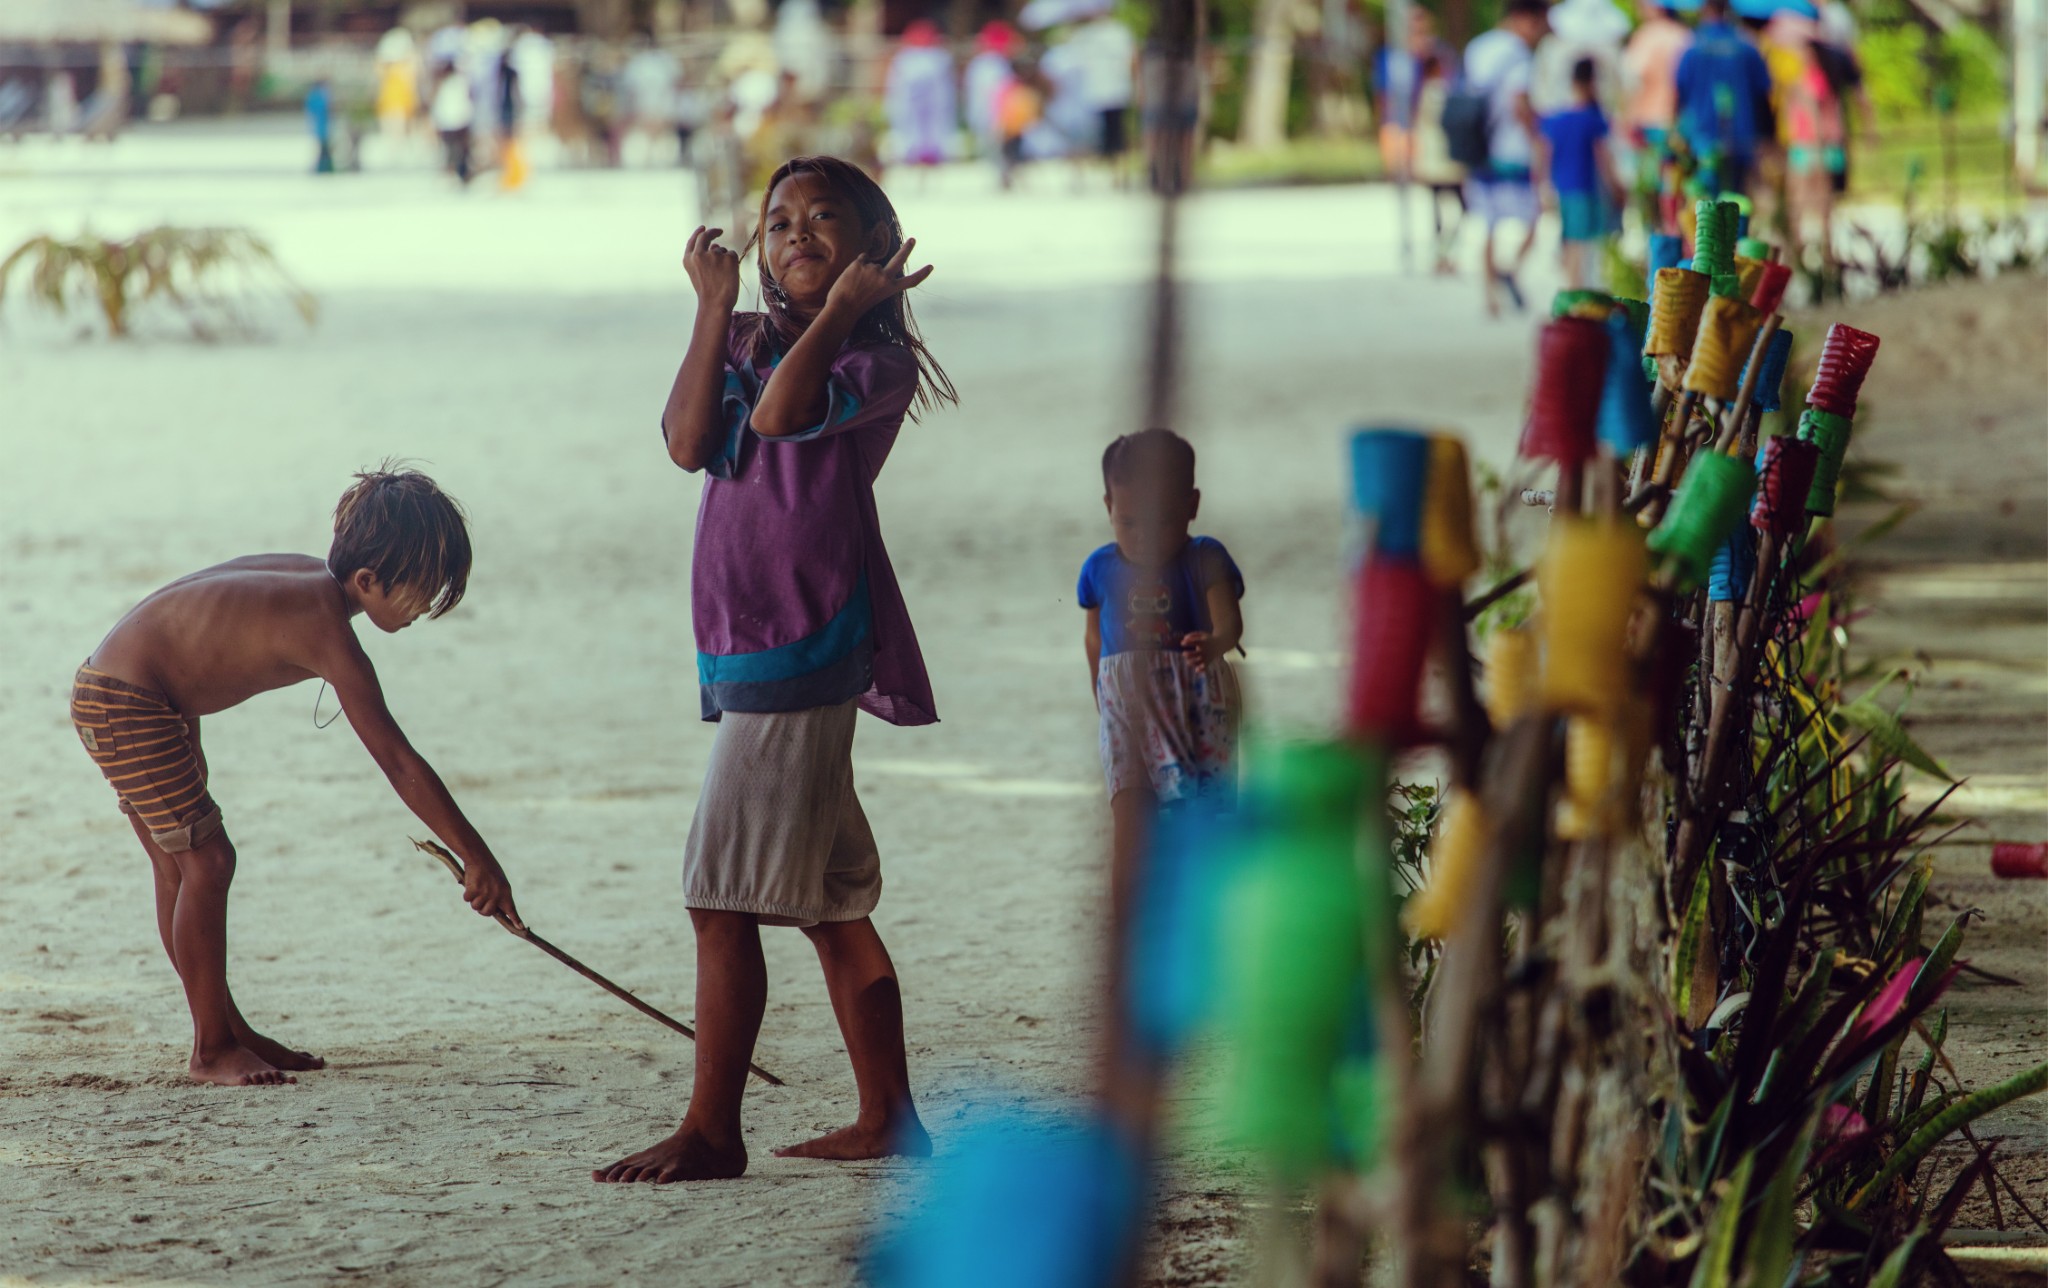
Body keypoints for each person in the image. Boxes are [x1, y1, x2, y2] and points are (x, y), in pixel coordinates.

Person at [596, 155, 957, 1184]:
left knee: (719, 898)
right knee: (829, 901)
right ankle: (890, 1115)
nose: (795, 232)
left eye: (823, 219)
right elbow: (685, 441)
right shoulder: (750, 336)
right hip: (744, 638)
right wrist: (711, 309)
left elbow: (778, 418)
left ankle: (713, 1129)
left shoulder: (870, 362)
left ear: (873, 247)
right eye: (778, 220)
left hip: (806, 639)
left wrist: (843, 313)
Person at [68, 468, 523, 1088]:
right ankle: (210, 1049)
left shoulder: (312, 582)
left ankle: (227, 1030)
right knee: (209, 862)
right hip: (130, 700)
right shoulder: (323, 624)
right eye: (421, 592)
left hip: (137, 694)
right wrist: (477, 855)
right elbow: (397, 759)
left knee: (181, 865)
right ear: (367, 581)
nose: (427, 608)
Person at [1076, 429, 1244, 933]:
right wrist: (1100, 697)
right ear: (1108, 505)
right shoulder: (1099, 568)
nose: (1145, 536)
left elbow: (1231, 625)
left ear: (1192, 505)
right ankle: (1129, 932)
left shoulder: (1205, 557)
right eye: (1128, 521)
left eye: (1161, 520)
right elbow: (1092, 638)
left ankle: (1207, 920)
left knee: (1202, 818)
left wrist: (1212, 644)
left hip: (1195, 705)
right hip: (1126, 711)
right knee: (1129, 816)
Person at [1462, 0, 1551, 316]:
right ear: (1525, 19)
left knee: (1486, 225)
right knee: (1536, 214)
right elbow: (1520, 103)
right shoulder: (1519, 55)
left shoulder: (1478, 47)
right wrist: (1538, 140)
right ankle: (1510, 269)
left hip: (1478, 146)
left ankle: (1489, 298)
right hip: (1513, 149)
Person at [1673, 0, 1773, 198]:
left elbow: (1679, 94)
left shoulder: (1693, 48)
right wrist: (1767, 137)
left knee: (1707, 205)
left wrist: (1678, 133)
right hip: (1742, 137)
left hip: (1703, 138)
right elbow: (1763, 95)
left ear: (1704, 9)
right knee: (1738, 202)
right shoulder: (1747, 46)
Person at [1540, 57, 1623, 289]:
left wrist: (1544, 186)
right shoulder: (1593, 120)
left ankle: (1573, 287)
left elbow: (1544, 156)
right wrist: (1616, 187)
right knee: (1579, 244)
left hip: (1563, 187)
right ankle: (1575, 290)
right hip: (1585, 189)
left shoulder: (1556, 119)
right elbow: (1604, 159)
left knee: (1569, 240)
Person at [1412, 51, 1467, 275]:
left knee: (1438, 209)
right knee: (1461, 207)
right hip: (1446, 158)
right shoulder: (1440, 91)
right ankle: (1445, 251)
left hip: (1433, 158)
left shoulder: (1425, 92)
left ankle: (1442, 252)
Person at [884, 20, 957, 170]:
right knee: (911, 136)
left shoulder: (939, 58)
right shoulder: (905, 59)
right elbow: (899, 89)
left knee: (933, 135)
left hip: (932, 109)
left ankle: (930, 157)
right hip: (912, 109)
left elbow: (943, 92)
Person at [1621, 0, 1693, 150]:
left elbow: (1633, 82)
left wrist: (1627, 118)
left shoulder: (1646, 36)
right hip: (1678, 122)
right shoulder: (1686, 36)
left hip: (1648, 121)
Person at [431, 64, 475, 185]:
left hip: (450, 122)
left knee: (452, 150)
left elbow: (439, 105)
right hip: (460, 121)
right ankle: (460, 174)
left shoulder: (446, 84)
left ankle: (456, 174)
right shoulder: (461, 82)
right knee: (461, 151)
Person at [305, 78, 335, 173]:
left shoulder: (316, 96)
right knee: (323, 149)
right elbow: (324, 111)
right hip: (322, 128)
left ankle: (324, 167)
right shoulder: (319, 96)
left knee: (324, 148)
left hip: (321, 127)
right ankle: (323, 167)